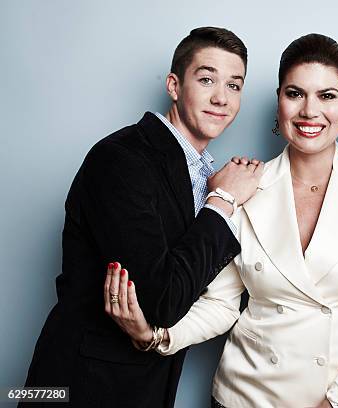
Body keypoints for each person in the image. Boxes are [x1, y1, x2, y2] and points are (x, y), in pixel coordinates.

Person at [105, 34, 338, 408]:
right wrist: (157, 335)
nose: (310, 111)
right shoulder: (245, 186)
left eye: (326, 96)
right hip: (245, 397)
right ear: (279, 102)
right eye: (295, 94)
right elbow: (222, 304)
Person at [22, 27, 263, 408]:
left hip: (145, 384)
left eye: (234, 85)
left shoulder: (201, 173)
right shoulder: (122, 159)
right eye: (206, 79)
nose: (221, 97)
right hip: (80, 386)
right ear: (173, 85)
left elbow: (201, 291)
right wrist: (223, 201)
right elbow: (160, 301)